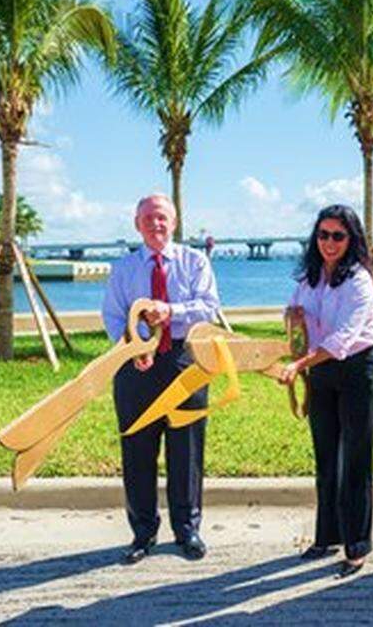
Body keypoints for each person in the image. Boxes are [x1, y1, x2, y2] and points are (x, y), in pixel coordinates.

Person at [101, 193, 221, 565]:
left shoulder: (194, 261)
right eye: (149, 218)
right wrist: (135, 347)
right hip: (137, 364)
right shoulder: (123, 269)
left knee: (186, 448)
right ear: (137, 224)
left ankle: (187, 529)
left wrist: (171, 311)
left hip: (185, 361)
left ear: (174, 223)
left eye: (163, 218)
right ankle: (142, 532)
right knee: (137, 449)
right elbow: (112, 316)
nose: (156, 224)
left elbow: (209, 308)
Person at [281, 204, 373, 579]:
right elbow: (296, 312)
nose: (329, 242)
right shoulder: (309, 277)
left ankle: (357, 545)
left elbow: (343, 339)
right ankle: (327, 536)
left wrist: (298, 366)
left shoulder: (359, 280)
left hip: (358, 369)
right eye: (323, 235)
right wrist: (293, 317)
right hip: (320, 372)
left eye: (338, 235)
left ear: (351, 239)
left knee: (356, 459)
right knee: (326, 456)